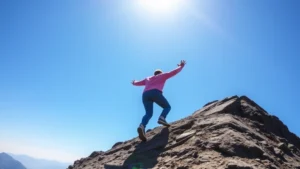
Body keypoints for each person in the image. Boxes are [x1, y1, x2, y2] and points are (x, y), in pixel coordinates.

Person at [132, 60, 186, 141]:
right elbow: (173, 72)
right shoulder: (162, 75)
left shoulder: (148, 78)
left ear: (154, 74)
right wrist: (181, 66)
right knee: (167, 107)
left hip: (145, 95)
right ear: (160, 73)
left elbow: (138, 83)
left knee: (148, 113)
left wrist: (134, 82)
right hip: (155, 93)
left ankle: (142, 126)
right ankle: (162, 118)